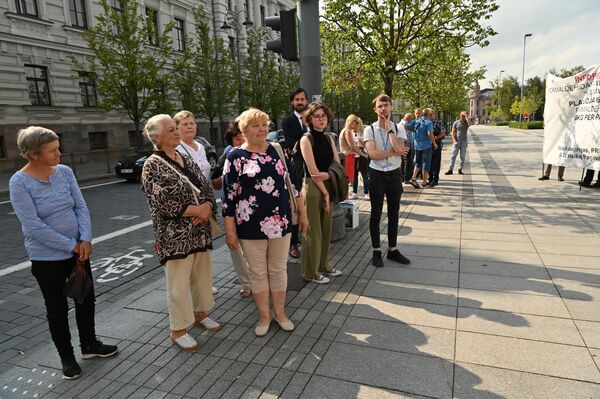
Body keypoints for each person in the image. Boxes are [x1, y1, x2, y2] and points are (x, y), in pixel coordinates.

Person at [9, 126, 118, 380]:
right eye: (53, 150)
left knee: (85, 300)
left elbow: (81, 206)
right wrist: (72, 245)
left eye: (58, 147)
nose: (60, 153)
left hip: (79, 253)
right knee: (57, 309)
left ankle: (89, 345)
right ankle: (66, 357)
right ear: (34, 154)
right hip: (47, 259)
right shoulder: (19, 182)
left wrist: (86, 239)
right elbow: (33, 226)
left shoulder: (65, 172)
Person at [222, 108, 309, 336]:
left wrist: (303, 213)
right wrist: (229, 231)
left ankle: (280, 313)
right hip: (249, 226)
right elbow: (228, 197)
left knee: (279, 270)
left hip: (280, 221)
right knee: (258, 273)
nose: (262, 129)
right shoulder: (235, 158)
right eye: (255, 125)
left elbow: (294, 185)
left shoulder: (277, 151)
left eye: (264, 124)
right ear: (244, 130)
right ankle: (264, 316)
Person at [141, 114, 220, 351]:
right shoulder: (151, 165)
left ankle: (199, 313)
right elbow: (161, 201)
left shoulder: (184, 156)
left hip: (199, 231)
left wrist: (207, 207)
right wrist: (197, 209)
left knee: (201, 276)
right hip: (174, 236)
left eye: (176, 128)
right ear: (157, 137)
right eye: (170, 130)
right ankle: (177, 329)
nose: (176, 133)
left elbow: (205, 185)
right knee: (178, 284)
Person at [173, 110, 219, 296]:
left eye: (192, 123)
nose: (190, 126)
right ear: (176, 128)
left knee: (203, 248)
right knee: (190, 249)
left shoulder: (200, 146)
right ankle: (192, 288)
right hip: (190, 206)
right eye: (185, 124)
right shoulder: (177, 149)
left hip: (205, 202)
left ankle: (203, 284)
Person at [363, 94, 411, 268]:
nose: (383, 109)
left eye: (386, 105)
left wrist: (390, 130)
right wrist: (394, 151)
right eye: (380, 106)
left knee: (394, 213)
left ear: (391, 107)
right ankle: (376, 250)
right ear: (375, 109)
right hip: (376, 175)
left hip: (394, 174)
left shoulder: (398, 128)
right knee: (376, 214)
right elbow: (372, 154)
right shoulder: (370, 129)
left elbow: (401, 149)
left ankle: (392, 249)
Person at [299, 102, 343, 284]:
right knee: (313, 231)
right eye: (316, 116)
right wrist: (325, 192)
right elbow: (312, 170)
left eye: (323, 116)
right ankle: (311, 272)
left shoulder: (329, 138)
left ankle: (324, 265)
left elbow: (337, 163)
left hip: (327, 184)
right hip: (313, 187)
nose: (321, 119)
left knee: (326, 229)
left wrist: (328, 176)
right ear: (309, 119)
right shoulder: (306, 139)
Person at [210, 121, 252, 298]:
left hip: (252, 209)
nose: (241, 140)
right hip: (232, 208)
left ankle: (257, 280)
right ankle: (246, 283)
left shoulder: (255, 151)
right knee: (236, 248)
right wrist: (228, 175)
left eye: (243, 135)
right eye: (237, 138)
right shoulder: (228, 154)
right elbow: (215, 181)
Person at [339, 114, 369, 199]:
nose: (355, 124)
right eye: (353, 122)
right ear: (349, 121)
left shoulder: (346, 130)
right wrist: (364, 155)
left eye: (356, 122)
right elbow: (353, 147)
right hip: (348, 157)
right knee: (348, 179)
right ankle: (345, 199)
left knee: (350, 178)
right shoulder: (347, 131)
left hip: (348, 156)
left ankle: (346, 197)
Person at [410, 108, 437, 188]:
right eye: (433, 114)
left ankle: (413, 178)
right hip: (426, 146)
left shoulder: (417, 121)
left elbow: (409, 128)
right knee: (426, 164)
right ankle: (424, 183)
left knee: (418, 163)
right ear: (430, 115)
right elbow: (429, 133)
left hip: (417, 146)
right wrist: (434, 143)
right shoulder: (429, 122)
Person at [429, 110, 446, 187]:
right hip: (427, 144)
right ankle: (430, 178)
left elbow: (443, 132)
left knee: (436, 162)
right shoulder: (425, 122)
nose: (430, 115)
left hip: (437, 143)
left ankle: (435, 179)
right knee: (429, 162)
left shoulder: (438, 122)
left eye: (431, 114)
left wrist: (436, 138)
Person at [399, 112, 415, 184]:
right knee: (407, 161)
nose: (412, 120)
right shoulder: (405, 124)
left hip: (403, 143)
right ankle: (407, 178)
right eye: (411, 119)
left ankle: (402, 177)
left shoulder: (400, 123)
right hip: (406, 144)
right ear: (409, 118)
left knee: (403, 161)